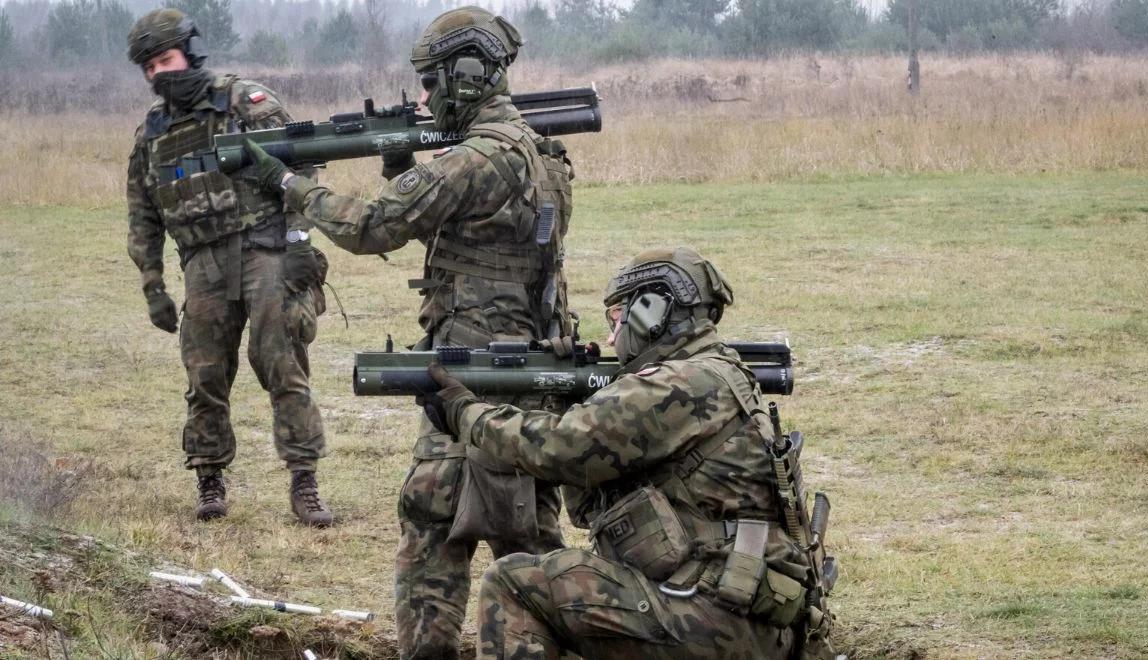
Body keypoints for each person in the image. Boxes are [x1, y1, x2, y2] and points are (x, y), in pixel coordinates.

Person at [239, 7, 575, 657]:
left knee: (433, 527)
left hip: (471, 373)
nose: (424, 96)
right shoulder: (540, 150)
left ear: (468, 75)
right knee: (527, 534)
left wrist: (287, 184)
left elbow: (372, 227)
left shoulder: (478, 157)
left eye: (431, 81)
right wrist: (402, 167)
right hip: (524, 364)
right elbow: (462, 228)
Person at [424, 247, 841, 659]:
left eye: (616, 318)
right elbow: (587, 503)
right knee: (573, 595)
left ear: (651, 310)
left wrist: (467, 415)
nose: (610, 336)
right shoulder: (722, 373)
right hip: (749, 617)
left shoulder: (674, 384)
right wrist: (564, 402)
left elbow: (557, 449)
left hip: (712, 618)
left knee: (514, 585)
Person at [125, 8, 332, 526]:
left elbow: (302, 165)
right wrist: (153, 282)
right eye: (148, 67)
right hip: (203, 265)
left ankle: (304, 481)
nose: (159, 74)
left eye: (166, 60)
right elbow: (143, 213)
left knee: (282, 365)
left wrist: (301, 240)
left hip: (265, 252)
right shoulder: (151, 134)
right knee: (205, 376)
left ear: (190, 53)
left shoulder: (245, 102)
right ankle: (210, 480)